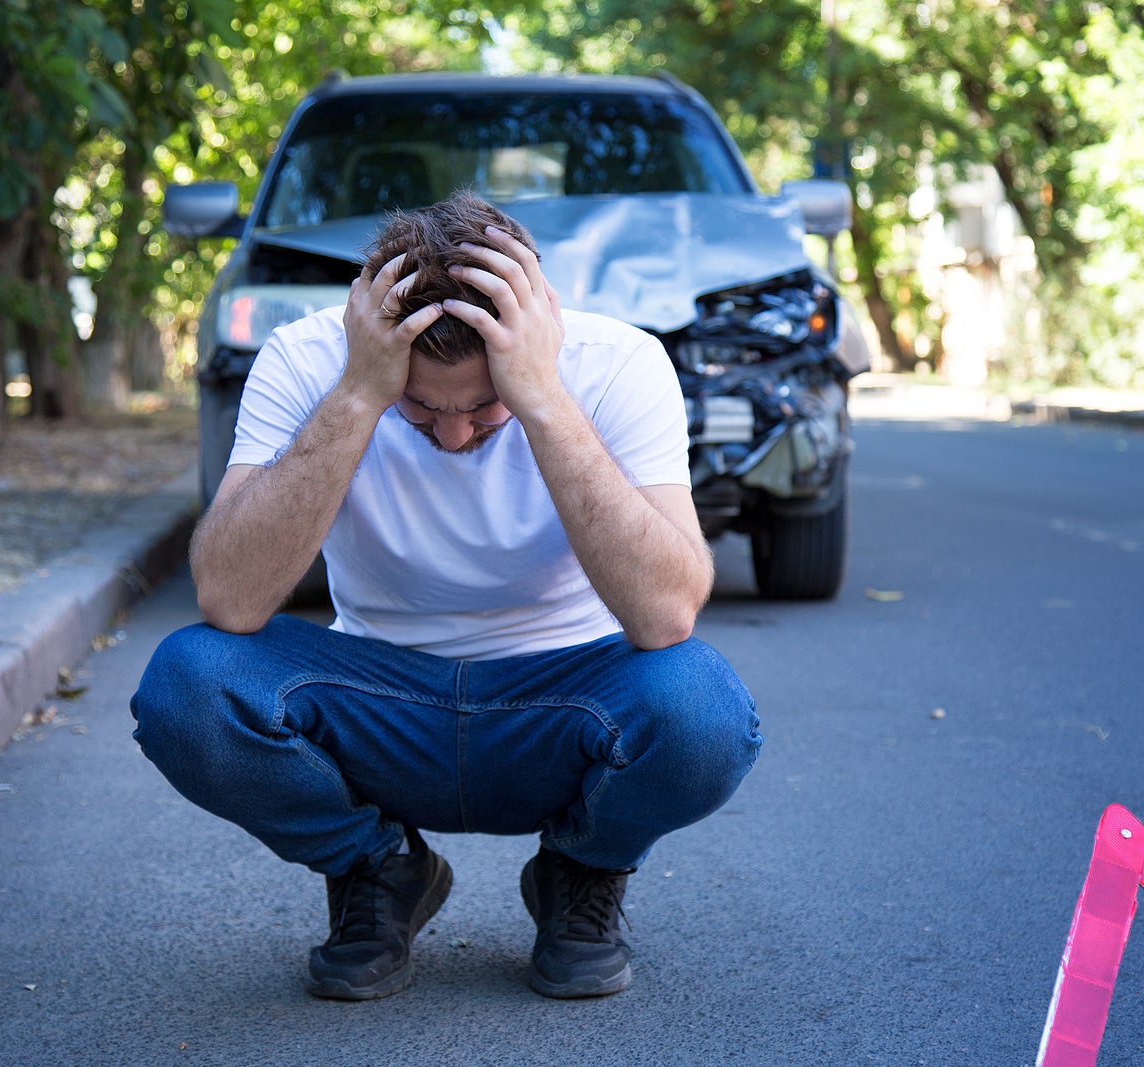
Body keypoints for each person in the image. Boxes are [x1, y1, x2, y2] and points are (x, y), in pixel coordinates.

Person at [130, 192, 761, 1001]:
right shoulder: (308, 359)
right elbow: (229, 597)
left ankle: (581, 872)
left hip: (566, 706)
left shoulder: (619, 362)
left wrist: (541, 399)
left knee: (702, 706)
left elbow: (667, 611)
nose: (455, 435)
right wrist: (360, 394)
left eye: (482, 405)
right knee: (188, 684)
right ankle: (379, 869)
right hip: (378, 704)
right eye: (423, 405)